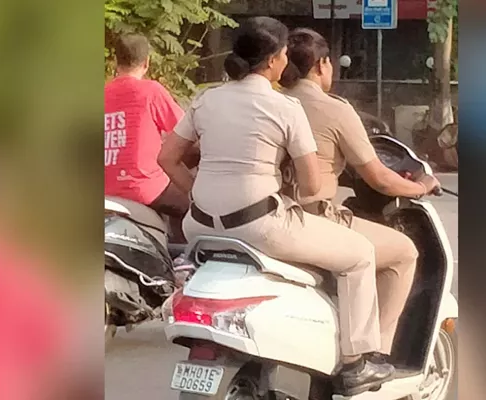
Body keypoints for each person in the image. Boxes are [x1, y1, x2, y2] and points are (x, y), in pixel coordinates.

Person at [158, 16, 393, 395]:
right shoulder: (283, 107)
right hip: (259, 226)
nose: (286, 61)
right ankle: (356, 362)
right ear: (272, 61)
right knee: (360, 254)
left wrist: (197, 190)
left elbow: (166, 158)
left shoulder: (206, 99)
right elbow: (313, 184)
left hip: (199, 227)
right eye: (284, 53)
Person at [278, 28, 440, 368]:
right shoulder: (334, 109)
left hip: (265, 213)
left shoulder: (271, 101)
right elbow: (380, 178)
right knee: (403, 252)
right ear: (322, 65)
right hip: (311, 217)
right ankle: (370, 357)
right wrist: (422, 186)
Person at [104, 33, 195, 242]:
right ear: (147, 62)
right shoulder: (151, 91)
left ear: (116, 61)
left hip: (106, 189)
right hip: (145, 189)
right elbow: (186, 132)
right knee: (196, 207)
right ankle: (184, 261)